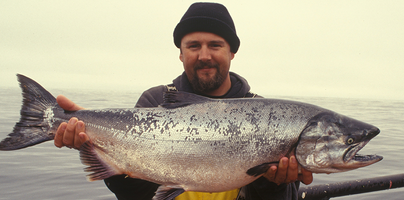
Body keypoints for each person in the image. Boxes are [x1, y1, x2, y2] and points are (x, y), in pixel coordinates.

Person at [53, 2, 313, 200]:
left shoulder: (265, 114)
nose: (204, 55)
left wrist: (271, 182)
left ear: (232, 52)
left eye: (215, 45)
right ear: (180, 53)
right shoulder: (155, 101)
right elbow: (134, 194)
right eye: (193, 46)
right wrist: (92, 141)